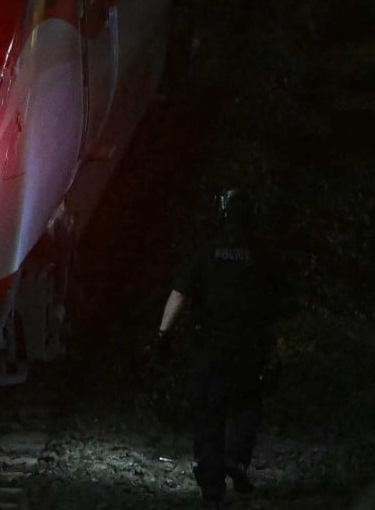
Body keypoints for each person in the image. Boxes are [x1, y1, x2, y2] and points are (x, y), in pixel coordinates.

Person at [156, 189, 284, 510]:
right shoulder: (263, 255)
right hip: (251, 345)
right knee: (247, 403)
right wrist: (279, 347)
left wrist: (163, 334)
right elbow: (279, 306)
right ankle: (236, 460)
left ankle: (212, 487)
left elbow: (180, 294)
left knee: (209, 412)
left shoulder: (206, 252)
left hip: (211, 346)